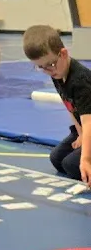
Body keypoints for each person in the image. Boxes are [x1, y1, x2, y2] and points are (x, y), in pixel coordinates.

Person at [23, 24, 91, 184]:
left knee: (72, 165)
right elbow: (70, 106)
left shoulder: (81, 80)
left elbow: (89, 122)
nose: (48, 71)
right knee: (57, 158)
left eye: (50, 64)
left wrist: (86, 159)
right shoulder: (57, 73)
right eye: (41, 67)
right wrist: (80, 134)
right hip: (85, 128)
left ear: (63, 54)